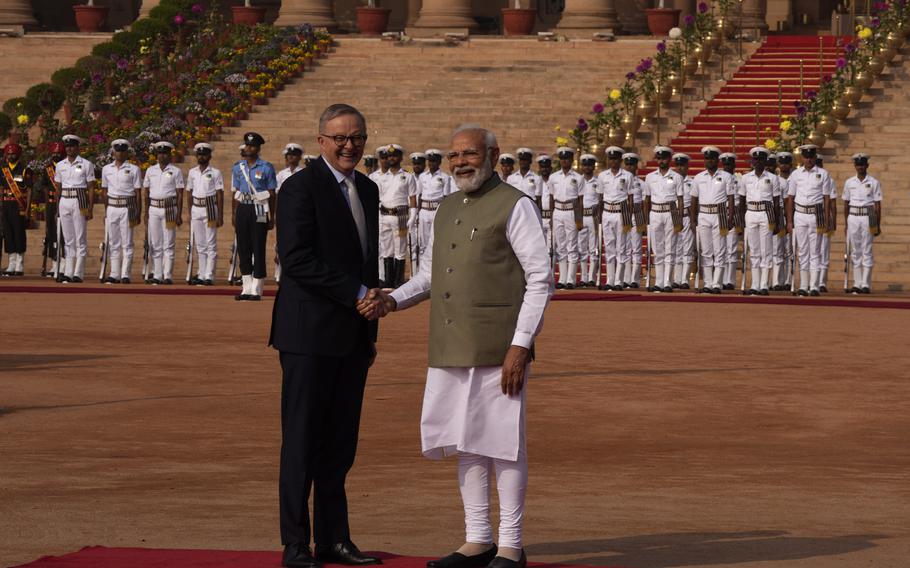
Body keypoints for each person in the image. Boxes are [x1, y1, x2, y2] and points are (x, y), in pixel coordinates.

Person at [365, 123, 553, 568]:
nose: (460, 163)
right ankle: (478, 539)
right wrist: (392, 300)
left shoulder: (515, 205)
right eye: (454, 156)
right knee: (466, 442)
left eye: (469, 154)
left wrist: (521, 344)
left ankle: (510, 545)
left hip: (497, 345)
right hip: (450, 343)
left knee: (504, 443)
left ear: (493, 154)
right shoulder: (447, 207)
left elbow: (541, 279)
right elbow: (430, 275)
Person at [268, 103, 381, 568]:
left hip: (352, 334)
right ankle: (296, 544)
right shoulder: (299, 189)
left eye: (356, 137)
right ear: (320, 142)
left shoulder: (369, 190)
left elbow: (367, 262)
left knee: (340, 443)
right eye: (340, 138)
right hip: (308, 333)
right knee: (302, 440)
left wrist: (369, 326)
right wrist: (356, 292)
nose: (349, 145)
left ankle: (334, 539)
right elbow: (296, 259)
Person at [232, 132, 277, 300]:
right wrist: (234, 213)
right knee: (243, 248)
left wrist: (272, 216)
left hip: (259, 208)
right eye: (247, 145)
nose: (248, 148)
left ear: (258, 149)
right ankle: (246, 287)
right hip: (243, 207)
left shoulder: (266, 167)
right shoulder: (238, 167)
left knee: (258, 247)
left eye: (251, 146)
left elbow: (272, 194)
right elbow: (235, 191)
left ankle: (257, 288)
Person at [786, 144, 832, 296]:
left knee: (816, 251)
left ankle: (814, 285)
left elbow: (826, 198)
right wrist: (790, 220)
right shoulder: (795, 175)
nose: (809, 160)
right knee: (803, 251)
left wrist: (825, 218)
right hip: (800, 214)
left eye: (811, 157)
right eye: (806, 157)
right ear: (802, 158)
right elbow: (791, 198)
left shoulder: (823, 174)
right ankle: (803, 285)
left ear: (815, 157)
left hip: (816, 214)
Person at [691, 146, 735, 294]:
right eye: (707, 158)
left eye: (712, 158)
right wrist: (692, 220)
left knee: (720, 250)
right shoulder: (698, 178)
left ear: (718, 160)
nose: (709, 161)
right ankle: (708, 283)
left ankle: (717, 283)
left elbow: (730, 198)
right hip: (703, 214)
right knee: (706, 251)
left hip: (720, 214)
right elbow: (694, 200)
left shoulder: (726, 177)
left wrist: (730, 218)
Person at [738, 147, 781, 295]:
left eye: (760, 159)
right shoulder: (745, 178)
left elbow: (776, 202)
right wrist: (741, 220)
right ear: (752, 161)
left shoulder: (773, 178)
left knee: (766, 250)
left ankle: (764, 284)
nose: (757, 162)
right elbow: (742, 200)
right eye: (755, 159)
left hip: (766, 213)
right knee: (754, 251)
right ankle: (755, 284)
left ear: (765, 161)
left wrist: (776, 222)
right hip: (750, 213)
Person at [99, 139, 142, 283]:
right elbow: (104, 191)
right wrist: (106, 210)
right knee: (114, 242)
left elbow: (138, 192)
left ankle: (125, 274)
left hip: (127, 207)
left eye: (123, 151)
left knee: (127, 242)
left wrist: (138, 211)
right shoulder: (106, 169)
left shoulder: (134, 169)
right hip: (112, 207)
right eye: (118, 150)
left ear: (126, 152)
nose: (120, 153)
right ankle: (114, 273)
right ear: (113, 152)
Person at [55, 135, 96, 283]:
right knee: (68, 239)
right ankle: (68, 271)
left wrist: (90, 208)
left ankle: (78, 272)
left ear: (78, 147)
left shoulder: (86, 164)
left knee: (80, 237)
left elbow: (91, 187)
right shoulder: (60, 165)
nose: (69, 149)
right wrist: (56, 209)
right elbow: (58, 189)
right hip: (64, 200)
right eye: (67, 146)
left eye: (72, 146)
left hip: (80, 200)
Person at [143, 141, 185, 285]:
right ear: (157, 155)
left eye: (165, 153)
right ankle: (157, 274)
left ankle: (167, 275)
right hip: (154, 207)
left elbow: (180, 193)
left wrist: (179, 213)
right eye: (160, 153)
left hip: (169, 208)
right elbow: (146, 192)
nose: (162, 156)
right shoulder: (150, 170)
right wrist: (146, 211)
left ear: (169, 155)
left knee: (169, 242)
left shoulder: (176, 171)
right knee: (155, 243)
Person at [643, 146, 684, 293]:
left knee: (670, 248)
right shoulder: (650, 177)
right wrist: (646, 220)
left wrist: (679, 218)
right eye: (659, 158)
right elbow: (646, 199)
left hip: (670, 212)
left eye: (664, 158)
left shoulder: (677, 177)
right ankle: (659, 281)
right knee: (657, 249)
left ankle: (668, 281)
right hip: (655, 212)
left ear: (669, 159)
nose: (662, 161)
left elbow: (680, 199)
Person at [842, 153, 882, 294]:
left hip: (868, 216)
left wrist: (877, 223)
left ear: (867, 166)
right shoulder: (849, 182)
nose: (860, 167)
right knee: (855, 251)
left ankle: (866, 283)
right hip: (853, 216)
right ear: (855, 166)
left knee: (867, 250)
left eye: (862, 165)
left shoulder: (874, 182)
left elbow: (877, 204)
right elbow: (846, 203)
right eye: (858, 165)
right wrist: (846, 223)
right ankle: (857, 283)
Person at [378, 144, 417, 288]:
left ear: (400, 158)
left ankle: (398, 280)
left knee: (400, 249)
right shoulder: (382, 177)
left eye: (394, 156)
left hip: (400, 216)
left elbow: (412, 197)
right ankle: (388, 280)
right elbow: (379, 197)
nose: (391, 158)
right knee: (386, 249)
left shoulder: (407, 176)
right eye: (389, 156)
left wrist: (413, 215)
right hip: (384, 215)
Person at [595, 146, 633, 291]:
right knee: (609, 247)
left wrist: (628, 218)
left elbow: (630, 198)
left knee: (621, 248)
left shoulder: (627, 176)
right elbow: (600, 197)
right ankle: (610, 280)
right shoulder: (602, 176)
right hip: (607, 212)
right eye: (610, 159)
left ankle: (619, 280)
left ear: (620, 160)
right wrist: (599, 218)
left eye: (616, 159)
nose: (613, 161)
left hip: (621, 211)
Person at [186, 142, 224, 286]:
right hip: (196, 207)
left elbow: (220, 194)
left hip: (210, 207)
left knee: (210, 243)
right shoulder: (192, 172)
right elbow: (189, 192)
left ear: (210, 156)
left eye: (204, 154)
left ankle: (209, 275)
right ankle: (201, 273)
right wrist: (189, 212)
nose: (202, 156)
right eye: (199, 154)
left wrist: (220, 214)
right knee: (200, 244)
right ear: (197, 156)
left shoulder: (215, 172)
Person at [548, 147, 582, 289]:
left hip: (571, 211)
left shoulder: (578, 178)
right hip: (558, 211)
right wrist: (551, 216)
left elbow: (581, 200)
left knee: (572, 245)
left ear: (572, 160)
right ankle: (561, 278)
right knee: (560, 246)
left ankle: (571, 279)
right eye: (562, 159)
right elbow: (551, 197)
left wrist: (579, 219)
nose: (564, 161)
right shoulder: (553, 177)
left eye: (567, 159)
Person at [416, 148, 453, 269]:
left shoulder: (445, 177)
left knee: (435, 242)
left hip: (436, 210)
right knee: (422, 244)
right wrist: (417, 213)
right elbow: (419, 196)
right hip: (424, 211)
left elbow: (446, 197)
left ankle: (435, 270)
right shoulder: (422, 177)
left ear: (439, 162)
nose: (431, 164)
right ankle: (421, 272)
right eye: (430, 161)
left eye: (434, 161)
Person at [274, 143, 305, 283]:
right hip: (285, 212)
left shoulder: (304, 173)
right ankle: (280, 274)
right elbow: (277, 195)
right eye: (289, 155)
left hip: (299, 212)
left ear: (299, 157)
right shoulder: (281, 175)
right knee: (282, 243)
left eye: (294, 155)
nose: (291, 158)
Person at [0, 143, 32, 276]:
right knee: (8, 234)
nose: (10, 156)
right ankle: (11, 262)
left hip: (19, 205)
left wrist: (28, 209)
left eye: (13, 154)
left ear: (18, 154)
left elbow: (29, 190)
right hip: (6, 205)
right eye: (8, 153)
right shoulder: (3, 169)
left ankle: (19, 263)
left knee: (19, 233)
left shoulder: (25, 170)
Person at [36, 142, 66, 277]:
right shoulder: (47, 169)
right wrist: (47, 200)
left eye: (58, 153)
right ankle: (55, 262)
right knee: (52, 233)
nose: (56, 155)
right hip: (51, 204)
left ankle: (64, 263)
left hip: (65, 202)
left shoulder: (66, 167)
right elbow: (44, 185)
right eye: (54, 152)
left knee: (64, 235)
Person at [672, 153, 695, 289]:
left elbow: (694, 202)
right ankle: (676, 278)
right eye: (678, 165)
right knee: (676, 248)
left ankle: (685, 279)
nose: (680, 168)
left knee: (687, 248)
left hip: (686, 216)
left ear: (687, 166)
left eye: (683, 165)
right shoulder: (671, 180)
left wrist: (693, 220)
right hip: (674, 216)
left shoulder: (692, 182)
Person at [622, 153, 645, 288]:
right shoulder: (620, 180)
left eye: (632, 164)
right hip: (624, 213)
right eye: (627, 164)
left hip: (637, 214)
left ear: (636, 166)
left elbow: (645, 202)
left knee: (636, 248)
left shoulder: (641, 183)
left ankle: (635, 279)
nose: (630, 167)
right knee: (624, 247)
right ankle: (625, 278)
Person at [772, 151, 795, 290]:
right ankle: (778, 281)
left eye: (787, 163)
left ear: (791, 164)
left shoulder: (796, 178)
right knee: (778, 250)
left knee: (790, 250)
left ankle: (788, 280)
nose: (784, 165)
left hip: (794, 215)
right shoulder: (776, 180)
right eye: (782, 163)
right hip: (780, 215)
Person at [719, 152, 741, 290]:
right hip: (721, 213)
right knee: (720, 248)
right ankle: (720, 279)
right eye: (725, 164)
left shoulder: (740, 178)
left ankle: (730, 280)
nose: (727, 166)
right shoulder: (719, 178)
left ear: (734, 165)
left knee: (732, 248)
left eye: (730, 164)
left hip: (736, 213)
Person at [577, 153, 600, 287]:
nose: (587, 167)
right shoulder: (577, 180)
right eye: (585, 165)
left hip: (592, 216)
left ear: (593, 166)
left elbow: (600, 199)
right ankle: (583, 277)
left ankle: (592, 277)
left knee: (593, 248)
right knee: (581, 248)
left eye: (589, 165)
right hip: (581, 216)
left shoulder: (597, 182)